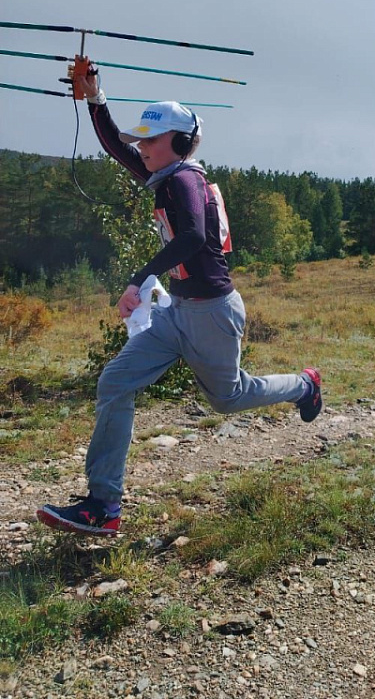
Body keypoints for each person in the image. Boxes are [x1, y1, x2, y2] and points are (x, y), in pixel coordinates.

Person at [37, 66, 322, 537]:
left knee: (228, 399)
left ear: (179, 142)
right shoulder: (165, 172)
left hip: (212, 312)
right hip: (177, 313)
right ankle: (102, 506)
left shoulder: (183, 181)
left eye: (151, 140)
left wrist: (137, 279)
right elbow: (115, 147)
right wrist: (95, 98)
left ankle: (303, 384)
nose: (142, 148)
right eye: (142, 140)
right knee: (115, 382)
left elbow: (191, 236)